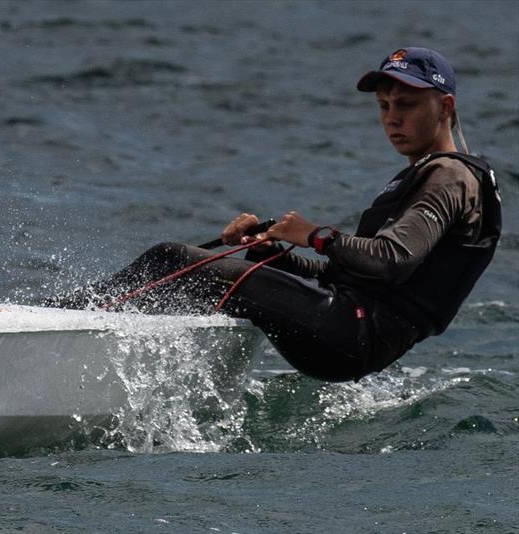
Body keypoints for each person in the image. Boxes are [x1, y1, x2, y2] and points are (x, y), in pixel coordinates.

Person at [47, 47, 501, 382]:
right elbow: (352, 277)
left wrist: (315, 235)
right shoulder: (429, 174)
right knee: (189, 274)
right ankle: (96, 348)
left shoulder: (449, 178)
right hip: (351, 331)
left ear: (445, 108)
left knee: (171, 260)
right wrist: (274, 254)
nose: (391, 119)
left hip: (353, 335)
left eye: (406, 105)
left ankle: (55, 327)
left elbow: (390, 259)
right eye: (384, 106)